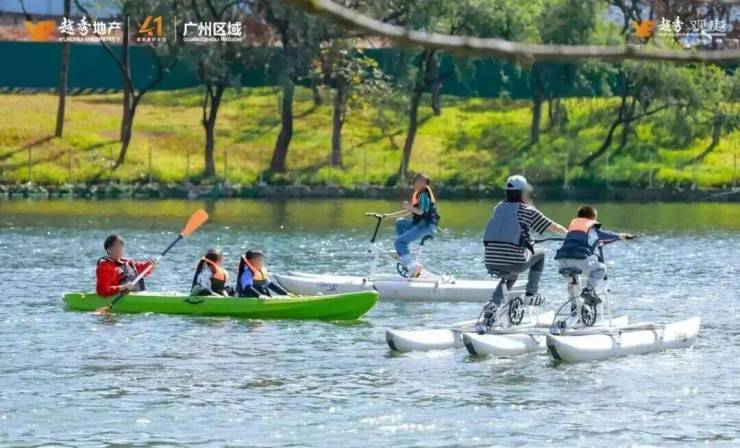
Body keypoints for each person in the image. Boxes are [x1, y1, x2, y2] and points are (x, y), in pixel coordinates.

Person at [482, 175, 567, 311]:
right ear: (523, 192)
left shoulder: (498, 208)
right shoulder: (528, 210)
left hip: (490, 260)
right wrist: (571, 234)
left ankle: (494, 302)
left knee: (511, 272)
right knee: (541, 254)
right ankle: (531, 294)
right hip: (514, 261)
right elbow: (553, 227)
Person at [554, 206, 633, 304]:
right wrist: (622, 236)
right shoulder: (594, 231)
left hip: (562, 262)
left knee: (572, 282)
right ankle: (588, 290)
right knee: (600, 268)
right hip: (579, 260)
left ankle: (574, 306)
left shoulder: (571, 231)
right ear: (592, 219)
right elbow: (608, 235)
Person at [383, 173, 440, 278]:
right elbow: (408, 212)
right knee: (400, 223)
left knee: (399, 242)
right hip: (421, 225)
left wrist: (409, 207)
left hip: (425, 226)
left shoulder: (424, 195)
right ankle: (402, 252)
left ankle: (412, 266)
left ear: (422, 183)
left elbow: (422, 212)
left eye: (415, 181)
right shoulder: (421, 195)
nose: (413, 183)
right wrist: (387, 216)